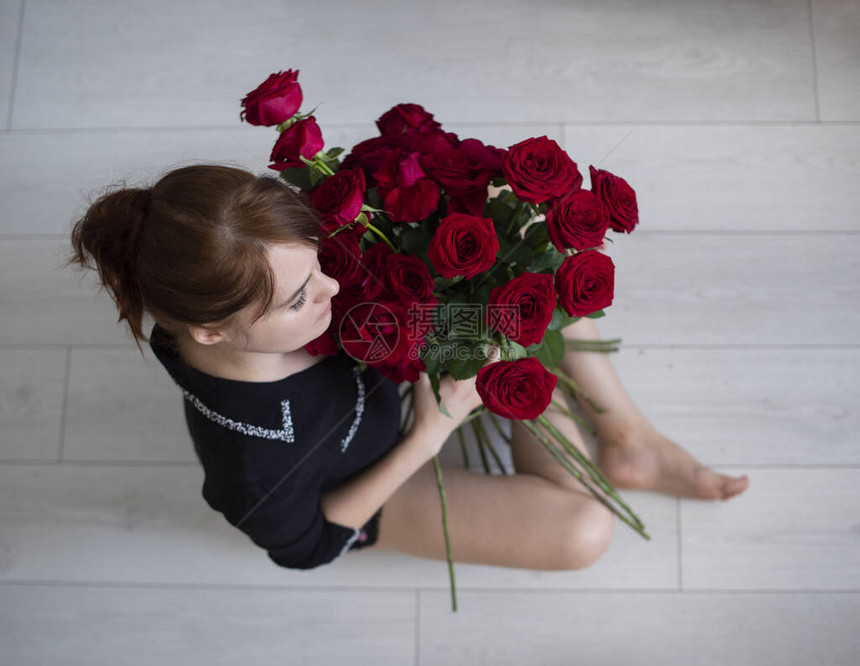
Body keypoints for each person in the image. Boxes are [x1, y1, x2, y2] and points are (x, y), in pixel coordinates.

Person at [69, 164, 750, 572]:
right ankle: (592, 436)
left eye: (316, 263)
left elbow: (366, 304)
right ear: (211, 331)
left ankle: (628, 437)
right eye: (303, 295)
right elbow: (306, 547)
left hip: (387, 370)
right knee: (583, 534)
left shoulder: (275, 281)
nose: (331, 289)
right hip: (371, 485)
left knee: (528, 292)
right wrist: (430, 434)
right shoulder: (256, 467)